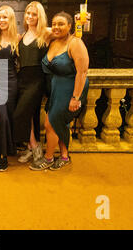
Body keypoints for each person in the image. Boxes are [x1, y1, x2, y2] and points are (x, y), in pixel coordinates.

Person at [30, 12, 89, 171]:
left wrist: (76, 98)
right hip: (56, 88)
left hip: (71, 88)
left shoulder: (75, 43)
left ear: (70, 26)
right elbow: (41, 29)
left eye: (61, 24)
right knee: (60, 122)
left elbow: (82, 72)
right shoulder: (53, 40)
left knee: (50, 123)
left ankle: (48, 158)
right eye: (54, 23)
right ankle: (64, 156)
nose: (56, 27)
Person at [13, 2, 50, 164]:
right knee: (29, 114)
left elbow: (67, 35)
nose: (30, 16)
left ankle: (35, 146)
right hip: (22, 78)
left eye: (34, 14)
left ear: (39, 16)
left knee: (21, 113)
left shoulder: (46, 33)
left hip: (37, 79)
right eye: (28, 13)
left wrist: (80, 24)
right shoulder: (21, 36)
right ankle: (31, 147)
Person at [0, 6, 19, 171]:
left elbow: (44, 32)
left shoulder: (17, 38)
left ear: (11, 19)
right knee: (1, 118)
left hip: (11, 82)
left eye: (5, 17)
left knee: (7, 118)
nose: (1, 20)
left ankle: (0, 154)